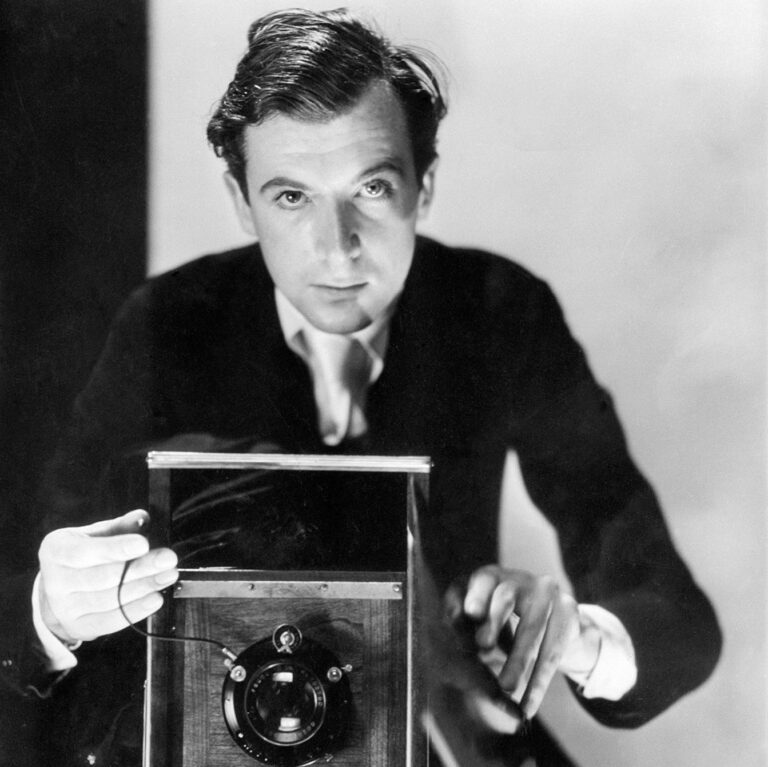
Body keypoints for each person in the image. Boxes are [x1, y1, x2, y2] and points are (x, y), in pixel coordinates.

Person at [0, 8, 721, 766]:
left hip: (440, 733)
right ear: (241, 200)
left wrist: (578, 637)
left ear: (424, 186)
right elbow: (31, 588)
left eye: (372, 189)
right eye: (290, 197)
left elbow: (675, 615)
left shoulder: (502, 310)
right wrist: (54, 610)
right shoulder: (168, 322)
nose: (336, 246)